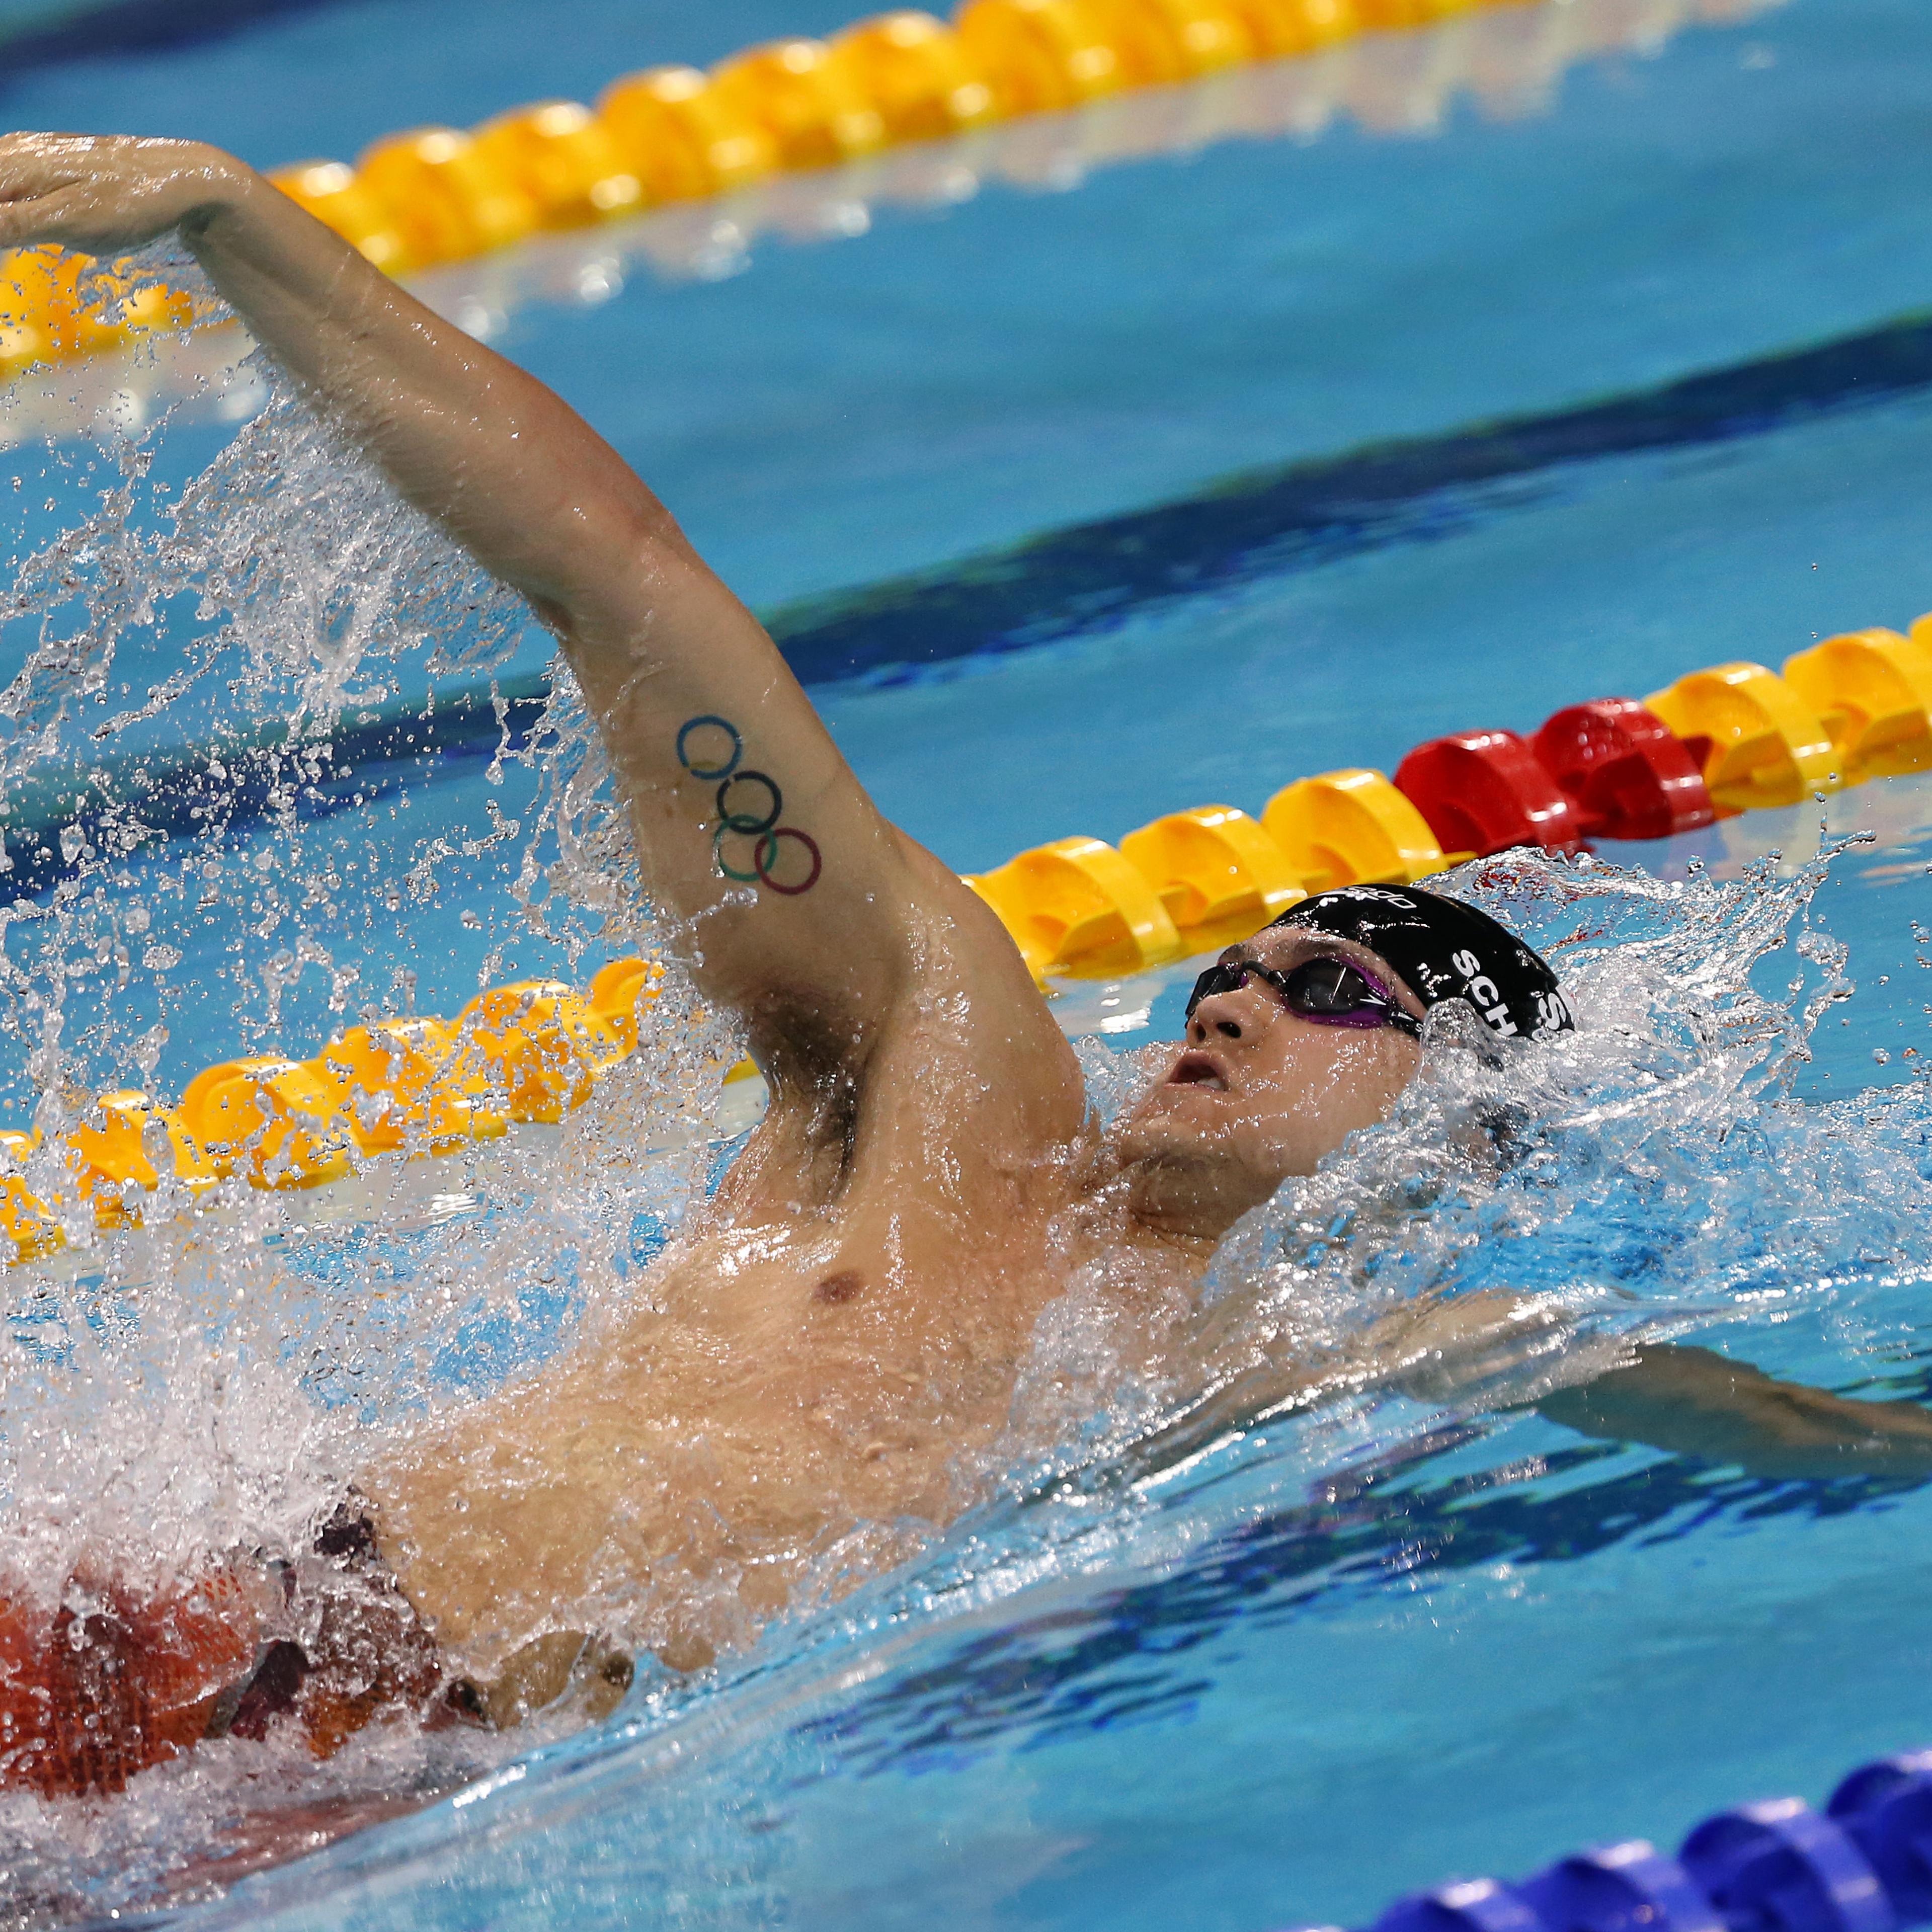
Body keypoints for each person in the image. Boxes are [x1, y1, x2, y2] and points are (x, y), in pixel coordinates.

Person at [4, 133, 1932, 1801]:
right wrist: (242, 226)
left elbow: (1660, 1397)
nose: (1241, 1000)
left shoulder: (1232, 1390)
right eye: (1236, 972)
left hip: (371, 1784)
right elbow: (628, 583)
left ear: (1463, 1128)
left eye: (1342, 996)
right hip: (188, 1643)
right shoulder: (942, 1084)